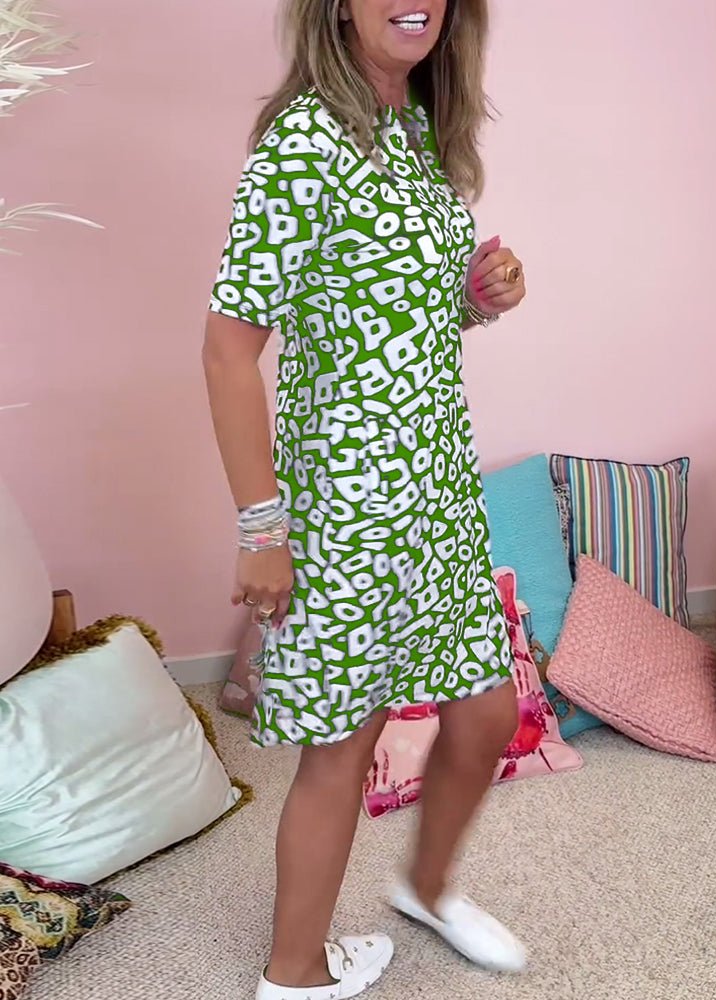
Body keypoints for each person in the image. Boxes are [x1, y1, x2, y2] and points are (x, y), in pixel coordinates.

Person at [203, 2, 528, 997]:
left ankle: (425, 889)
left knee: (488, 711)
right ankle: (294, 973)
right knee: (343, 744)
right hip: (347, 507)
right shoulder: (303, 140)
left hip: (436, 495)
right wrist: (262, 529)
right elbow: (227, 352)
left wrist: (476, 295)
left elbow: (387, 309)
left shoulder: (417, 127)